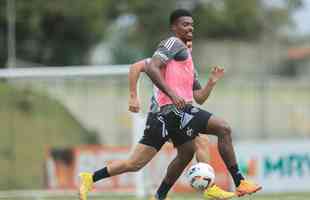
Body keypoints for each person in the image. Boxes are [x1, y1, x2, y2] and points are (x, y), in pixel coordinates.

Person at [143, 9, 262, 199]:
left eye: (191, 25)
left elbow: (199, 97)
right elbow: (150, 67)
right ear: (174, 27)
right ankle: (239, 182)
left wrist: (211, 82)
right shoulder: (172, 42)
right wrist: (172, 94)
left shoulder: (188, 63)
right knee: (223, 128)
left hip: (182, 110)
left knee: (185, 155)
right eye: (184, 24)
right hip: (173, 110)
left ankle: (159, 196)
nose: (190, 28)